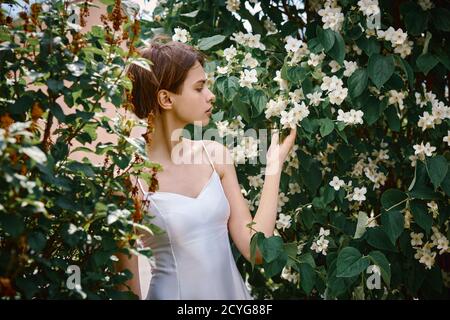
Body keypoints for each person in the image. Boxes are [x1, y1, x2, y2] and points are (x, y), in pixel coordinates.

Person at [116, 35, 297, 300]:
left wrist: (274, 163)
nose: (211, 96)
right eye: (199, 88)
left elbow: (256, 251)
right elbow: (126, 292)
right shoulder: (131, 180)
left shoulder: (215, 156)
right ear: (166, 99)